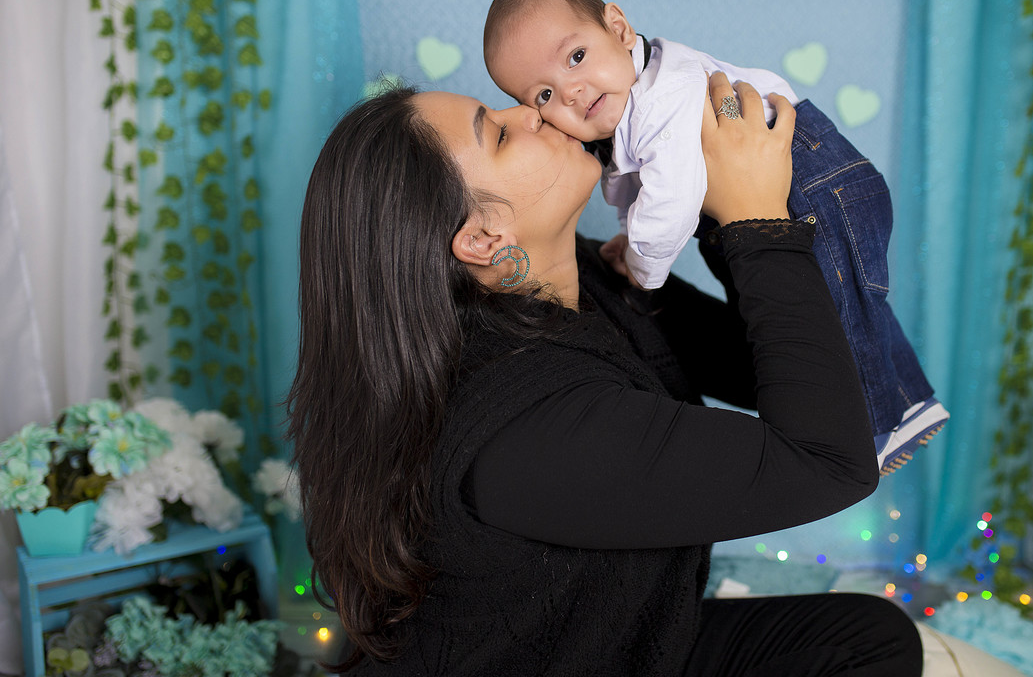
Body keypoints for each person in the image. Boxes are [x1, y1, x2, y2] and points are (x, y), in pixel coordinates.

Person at [286, 73, 923, 675]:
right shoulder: (529, 431)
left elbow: (787, 374)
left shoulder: (587, 279)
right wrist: (756, 222)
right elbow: (830, 461)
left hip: (631, 643)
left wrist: (704, 201)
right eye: (501, 133)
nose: (531, 111)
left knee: (866, 638)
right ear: (481, 239)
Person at [483, 0, 947, 475]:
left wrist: (642, 268)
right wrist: (630, 239)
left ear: (618, 28)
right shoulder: (631, 101)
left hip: (816, 188)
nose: (571, 91)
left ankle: (870, 431)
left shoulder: (666, 95)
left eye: (576, 57)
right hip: (767, 208)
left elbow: (672, 200)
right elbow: (631, 182)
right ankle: (911, 400)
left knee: (836, 315)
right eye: (544, 96)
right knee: (855, 305)